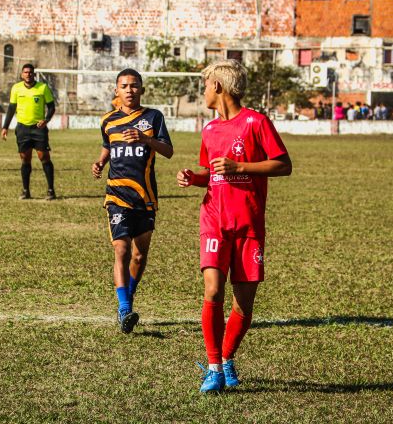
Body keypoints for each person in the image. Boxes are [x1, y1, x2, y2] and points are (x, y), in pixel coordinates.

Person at [176, 59, 292, 393]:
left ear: (219, 87)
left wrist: (240, 165)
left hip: (249, 224)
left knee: (243, 304)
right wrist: (193, 178)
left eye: (206, 84)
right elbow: (213, 175)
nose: (203, 91)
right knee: (213, 289)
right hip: (214, 219)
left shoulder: (256, 122)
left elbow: (284, 165)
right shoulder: (209, 130)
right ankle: (213, 367)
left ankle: (226, 359)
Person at [91, 68, 173, 334]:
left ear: (142, 89)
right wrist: (101, 162)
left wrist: (146, 138)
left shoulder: (153, 117)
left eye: (134, 85)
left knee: (139, 255)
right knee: (122, 250)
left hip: (146, 196)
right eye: (124, 86)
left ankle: (128, 298)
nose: (129, 90)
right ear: (116, 90)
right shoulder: (108, 120)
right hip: (116, 194)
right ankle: (124, 308)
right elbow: (108, 144)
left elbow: (168, 151)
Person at [1, 63, 57, 200]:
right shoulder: (16, 88)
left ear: (34, 74)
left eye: (30, 72)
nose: (28, 74)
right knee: (25, 159)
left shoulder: (42, 88)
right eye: (25, 72)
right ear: (22, 74)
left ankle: (51, 190)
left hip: (39, 129)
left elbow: (51, 107)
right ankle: (26, 191)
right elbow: (11, 109)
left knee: (44, 157)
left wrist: (46, 120)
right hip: (22, 129)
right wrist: (5, 127)